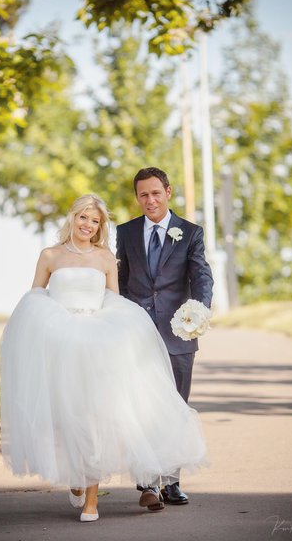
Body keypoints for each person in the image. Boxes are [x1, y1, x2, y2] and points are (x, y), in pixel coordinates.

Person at [0, 194, 206, 523]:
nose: (88, 225)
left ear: (100, 227)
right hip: (61, 343)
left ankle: (91, 500)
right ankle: (78, 479)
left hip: (96, 343)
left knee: (95, 417)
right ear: (73, 218)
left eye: (94, 221)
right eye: (83, 217)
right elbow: (35, 297)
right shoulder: (50, 256)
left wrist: (119, 332)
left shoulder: (106, 258)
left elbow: (114, 301)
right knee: (68, 419)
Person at [116, 167, 213, 509]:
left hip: (178, 333)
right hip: (137, 334)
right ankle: (147, 483)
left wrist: (198, 312)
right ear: (137, 197)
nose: (150, 200)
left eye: (156, 193)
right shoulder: (125, 232)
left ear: (168, 192)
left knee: (175, 408)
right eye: (143, 194)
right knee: (141, 406)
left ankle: (172, 482)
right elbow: (122, 280)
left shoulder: (190, 233)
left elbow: (201, 276)